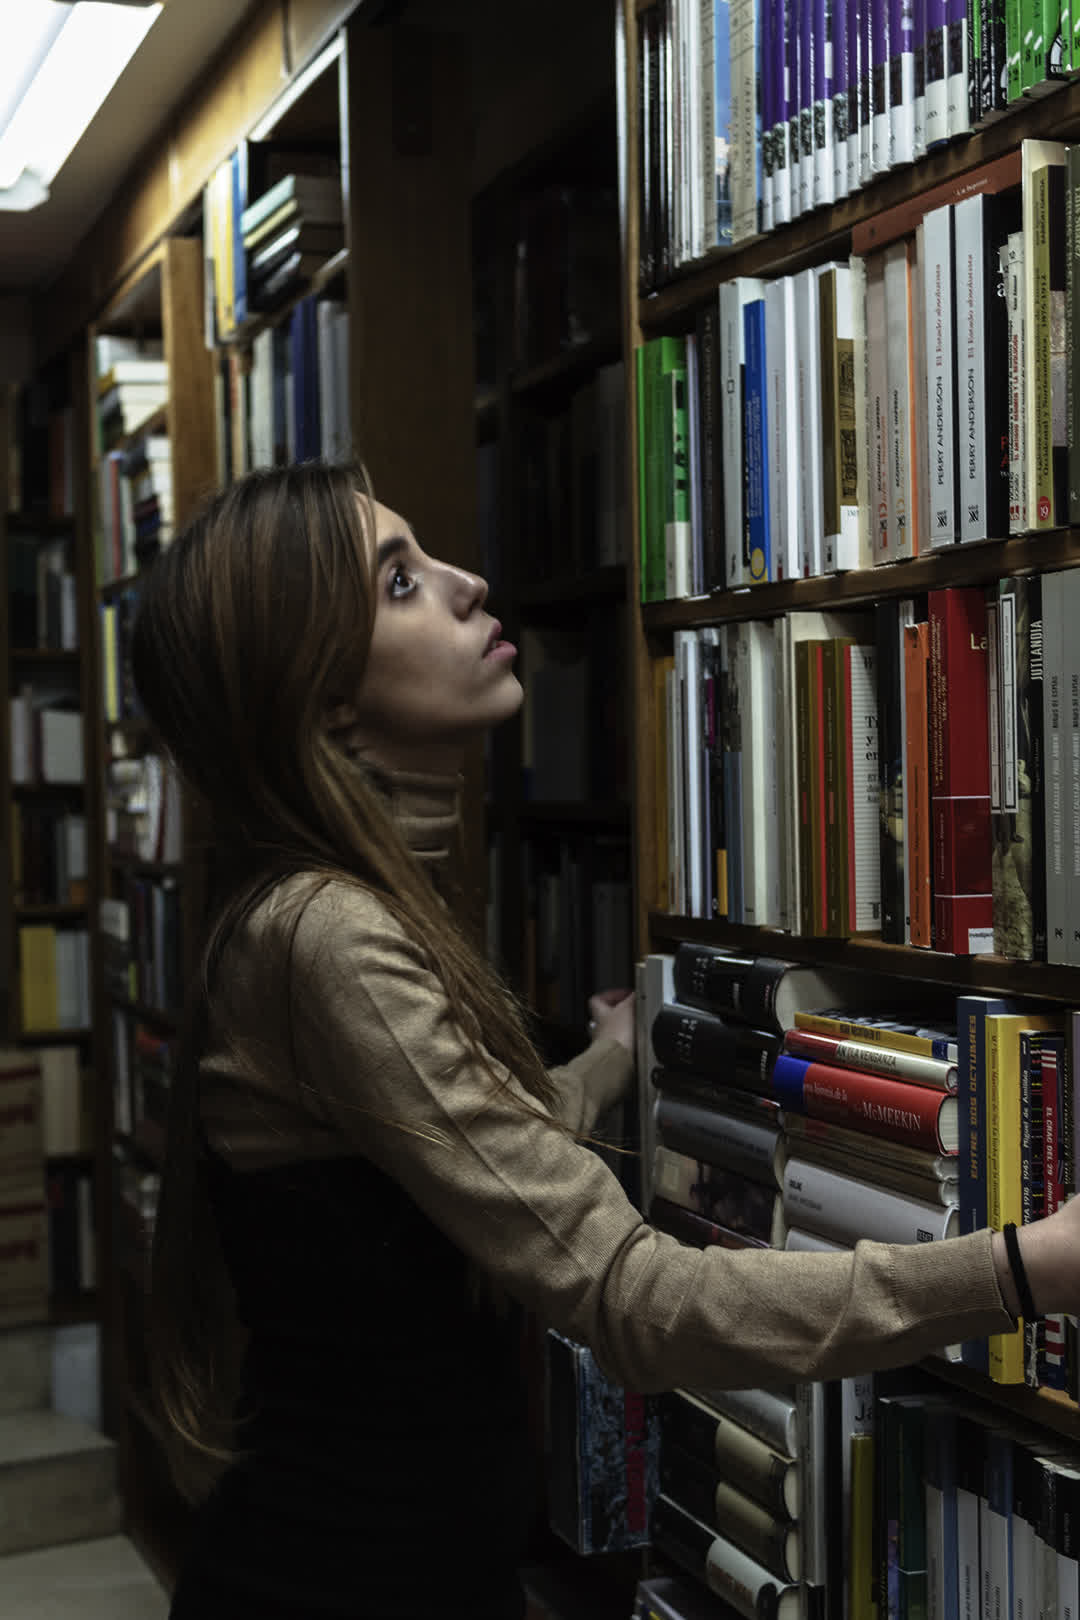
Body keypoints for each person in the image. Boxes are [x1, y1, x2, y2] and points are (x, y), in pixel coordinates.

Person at [132, 462, 1079, 1620]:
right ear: (321, 696)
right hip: (344, 1582)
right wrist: (1022, 1270)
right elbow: (633, 1301)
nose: (469, 583)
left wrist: (616, 1058)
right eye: (399, 582)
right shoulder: (324, 934)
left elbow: (467, 1163)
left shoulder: (332, 906)